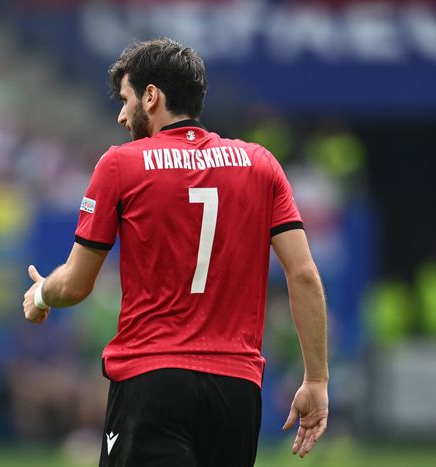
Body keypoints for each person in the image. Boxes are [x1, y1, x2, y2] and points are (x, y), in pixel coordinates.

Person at [22, 38, 328, 467]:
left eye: (126, 99)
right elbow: (304, 274)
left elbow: (75, 285)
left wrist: (40, 295)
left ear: (152, 96)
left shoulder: (120, 164)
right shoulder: (261, 164)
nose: (122, 115)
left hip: (152, 380)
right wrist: (316, 380)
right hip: (236, 390)